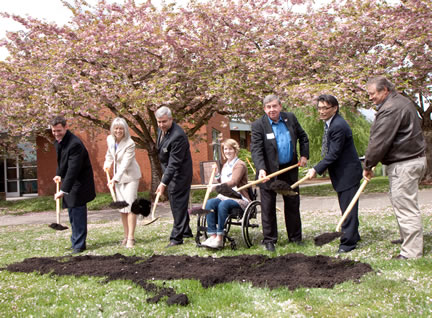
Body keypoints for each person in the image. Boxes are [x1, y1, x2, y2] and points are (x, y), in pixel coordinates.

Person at [363, 76, 427, 260]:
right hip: (412, 160)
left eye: (372, 94)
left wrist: (368, 165)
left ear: (385, 90)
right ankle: (407, 239)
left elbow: (379, 141)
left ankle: (411, 253)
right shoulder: (402, 102)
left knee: (406, 206)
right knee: (402, 202)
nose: (370, 98)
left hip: (404, 163)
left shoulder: (391, 109)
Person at [251, 94, 309, 252]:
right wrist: (261, 169)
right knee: (268, 207)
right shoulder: (258, 125)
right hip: (268, 173)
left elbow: (303, 137)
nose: (272, 110)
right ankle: (270, 240)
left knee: (292, 204)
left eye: (274, 106)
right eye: (268, 107)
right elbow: (256, 150)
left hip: (289, 170)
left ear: (280, 106)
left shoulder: (290, 118)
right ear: (264, 109)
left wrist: (304, 155)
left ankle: (295, 238)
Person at [305, 94, 362, 253]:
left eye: (325, 108)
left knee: (349, 208)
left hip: (348, 173)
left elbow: (334, 154)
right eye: (320, 108)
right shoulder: (330, 124)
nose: (322, 111)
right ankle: (354, 235)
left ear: (335, 108)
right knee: (347, 207)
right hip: (343, 173)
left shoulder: (338, 126)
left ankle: (348, 243)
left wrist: (316, 169)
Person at [52, 116, 96, 254]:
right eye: (54, 131)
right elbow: (63, 162)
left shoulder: (74, 144)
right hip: (71, 182)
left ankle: (79, 245)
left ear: (66, 127)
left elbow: (73, 169)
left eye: (59, 130)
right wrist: (59, 174)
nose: (56, 133)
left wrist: (63, 190)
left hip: (80, 183)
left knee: (77, 213)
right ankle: (75, 241)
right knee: (72, 212)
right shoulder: (60, 142)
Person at [201, 139, 251, 249]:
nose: (227, 151)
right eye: (225, 149)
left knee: (223, 205)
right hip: (225, 196)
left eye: (230, 149)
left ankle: (220, 238)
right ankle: (213, 236)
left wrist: (217, 187)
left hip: (239, 198)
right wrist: (217, 175)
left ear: (235, 150)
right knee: (210, 203)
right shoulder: (225, 165)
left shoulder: (240, 165)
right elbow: (223, 181)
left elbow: (234, 182)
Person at [155, 106, 193, 247]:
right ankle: (186, 231)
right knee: (177, 203)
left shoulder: (178, 136)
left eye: (164, 121)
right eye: (159, 122)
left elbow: (174, 163)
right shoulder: (161, 130)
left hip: (180, 174)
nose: (161, 125)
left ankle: (176, 238)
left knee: (178, 204)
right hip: (170, 172)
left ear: (171, 119)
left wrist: (163, 183)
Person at [103, 117, 142, 248]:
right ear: (112, 129)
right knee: (122, 208)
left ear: (125, 129)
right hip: (117, 177)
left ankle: (131, 237)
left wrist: (115, 178)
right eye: (116, 128)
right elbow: (109, 154)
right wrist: (107, 165)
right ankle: (125, 236)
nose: (118, 131)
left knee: (130, 207)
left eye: (121, 128)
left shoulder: (130, 143)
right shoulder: (110, 139)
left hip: (130, 177)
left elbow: (125, 163)